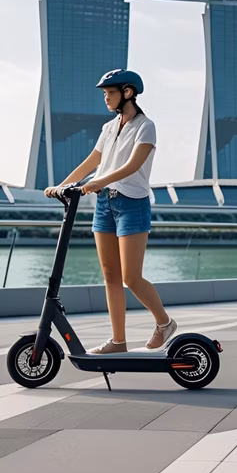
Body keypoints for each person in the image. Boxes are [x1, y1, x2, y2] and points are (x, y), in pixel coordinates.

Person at [44, 68, 177, 353]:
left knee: (131, 277)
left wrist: (95, 183)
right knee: (111, 276)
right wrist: (63, 184)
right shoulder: (108, 128)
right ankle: (118, 342)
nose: (105, 98)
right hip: (104, 204)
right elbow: (94, 159)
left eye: (109, 93)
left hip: (132, 203)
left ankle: (164, 323)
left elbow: (132, 165)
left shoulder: (146, 126)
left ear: (127, 93)